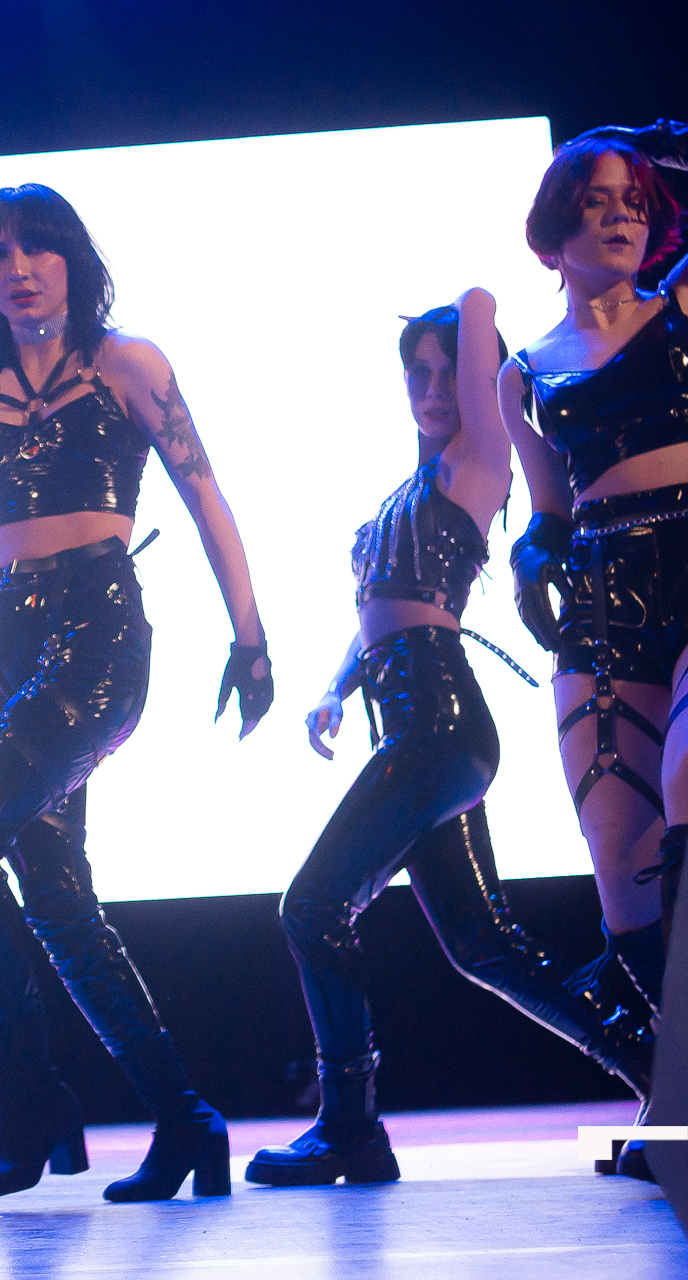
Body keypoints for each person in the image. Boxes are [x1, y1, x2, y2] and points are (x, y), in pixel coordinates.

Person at [0, 183, 273, 1204]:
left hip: (99, 631)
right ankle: (185, 1116)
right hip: (3, 634)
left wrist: (252, 637)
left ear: (76, 259)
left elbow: (204, 495)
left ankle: (31, 1099)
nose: (18, 269)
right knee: (52, 891)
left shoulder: (126, 363)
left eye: (37, 248)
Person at [244, 296, 651, 1188]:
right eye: (416, 373)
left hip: (438, 721)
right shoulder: (415, 482)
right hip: (417, 725)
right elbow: (381, 607)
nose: (433, 389)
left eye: (448, 372)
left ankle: (350, 1126)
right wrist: (335, 687)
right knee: (484, 946)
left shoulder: (479, 458)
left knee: (310, 908)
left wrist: (470, 337)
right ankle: (663, 1076)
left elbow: (478, 306)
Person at [502, 119, 688, 1182]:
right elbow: (550, 507)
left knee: (687, 781)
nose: (619, 216)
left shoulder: (684, 308)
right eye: (596, 201)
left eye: (634, 201)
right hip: (604, 596)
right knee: (619, 858)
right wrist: (532, 552)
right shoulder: (523, 372)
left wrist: (657, 145)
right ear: (553, 233)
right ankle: (676, 1096)